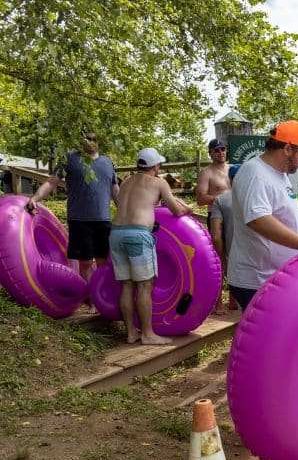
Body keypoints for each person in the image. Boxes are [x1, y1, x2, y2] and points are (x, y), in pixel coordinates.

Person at [227, 120, 298, 310]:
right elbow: (258, 220)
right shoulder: (255, 173)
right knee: (269, 339)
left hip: (273, 277)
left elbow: (278, 215)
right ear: (287, 149)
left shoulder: (279, 173)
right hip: (257, 280)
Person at [27, 132, 119, 313]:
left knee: (102, 262)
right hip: (79, 220)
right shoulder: (70, 159)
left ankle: (102, 298)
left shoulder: (108, 163)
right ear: (81, 141)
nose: (90, 141)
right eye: (86, 138)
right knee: (85, 264)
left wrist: (125, 211)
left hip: (103, 220)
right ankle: (93, 301)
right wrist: (35, 198)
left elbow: (115, 190)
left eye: (94, 138)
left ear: (99, 141)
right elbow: (52, 182)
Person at [110, 148, 194, 345]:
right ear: (156, 166)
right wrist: (188, 209)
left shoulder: (127, 181)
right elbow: (176, 210)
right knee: (144, 285)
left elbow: (135, 205)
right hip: (137, 235)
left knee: (127, 284)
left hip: (116, 234)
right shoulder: (158, 182)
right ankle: (148, 334)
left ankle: (131, 332)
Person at [210, 163, 241, 314]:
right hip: (251, 252)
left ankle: (219, 305)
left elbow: (216, 236)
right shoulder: (259, 198)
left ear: (229, 179)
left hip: (229, 249)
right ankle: (234, 303)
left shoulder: (220, 201)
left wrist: (222, 257)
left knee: (220, 270)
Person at [196, 139, 231, 229]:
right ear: (210, 153)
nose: (220, 152)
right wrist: (226, 198)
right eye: (216, 150)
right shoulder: (205, 173)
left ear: (226, 150)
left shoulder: (234, 168)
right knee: (218, 242)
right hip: (217, 216)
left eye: (222, 149)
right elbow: (200, 200)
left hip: (235, 214)